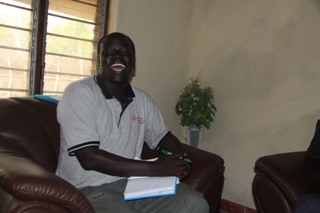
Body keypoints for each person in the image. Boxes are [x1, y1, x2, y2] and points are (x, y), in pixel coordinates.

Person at [55, 32, 209, 213]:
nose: (118, 57)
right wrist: (154, 168)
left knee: (195, 203)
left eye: (124, 53)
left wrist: (181, 159)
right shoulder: (79, 93)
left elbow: (164, 137)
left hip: (133, 185)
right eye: (110, 53)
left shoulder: (142, 100)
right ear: (99, 60)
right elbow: (89, 158)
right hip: (87, 189)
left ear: (133, 62)